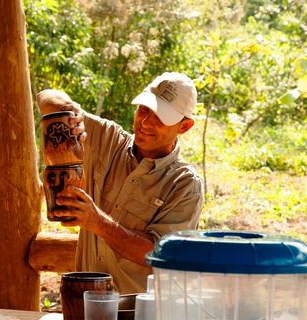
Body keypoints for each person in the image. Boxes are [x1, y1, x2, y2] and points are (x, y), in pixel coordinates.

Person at [37, 72, 204, 293]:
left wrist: (97, 221)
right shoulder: (108, 138)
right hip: (84, 304)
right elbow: (46, 98)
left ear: (184, 126)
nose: (145, 122)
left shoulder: (185, 184)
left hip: (139, 313)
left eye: (160, 117)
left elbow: (158, 252)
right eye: (144, 110)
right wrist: (71, 110)